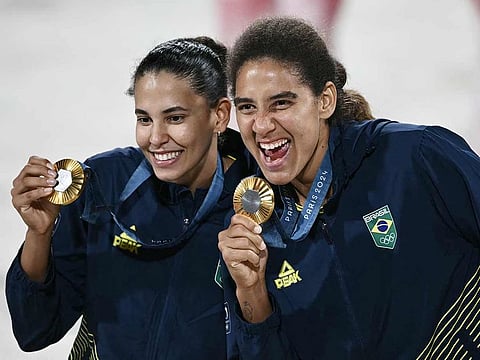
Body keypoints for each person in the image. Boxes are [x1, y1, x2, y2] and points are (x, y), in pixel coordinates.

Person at [218, 16, 480, 359]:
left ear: (324, 100)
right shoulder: (253, 234)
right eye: (247, 107)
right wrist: (250, 291)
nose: (262, 124)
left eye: (281, 103)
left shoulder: (414, 157)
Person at [6, 36, 253, 359]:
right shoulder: (105, 185)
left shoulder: (256, 200)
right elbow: (35, 330)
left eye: (175, 118)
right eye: (144, 119)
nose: (156, 138)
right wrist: (39, 234)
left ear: (219, 115)